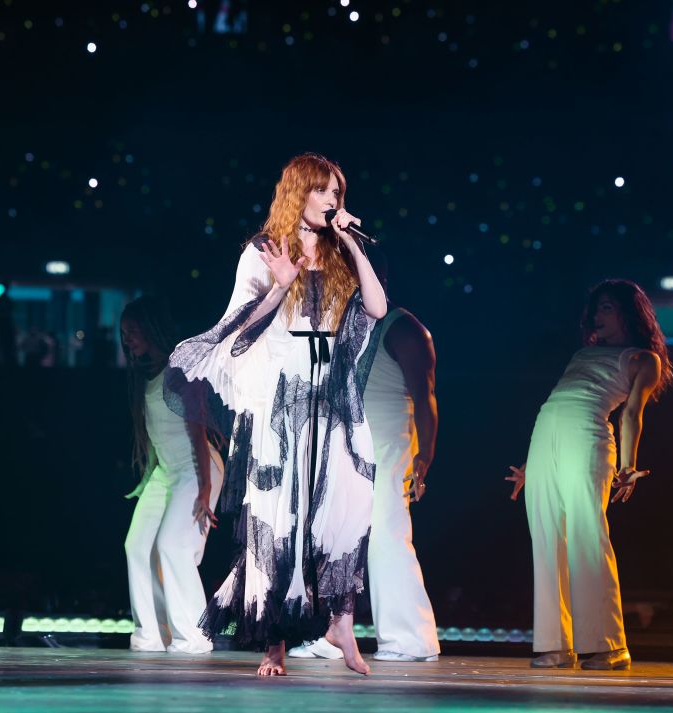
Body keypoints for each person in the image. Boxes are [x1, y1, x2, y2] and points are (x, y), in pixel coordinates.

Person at [164, 153, 387, 676]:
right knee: (278, 514)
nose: (334, 200)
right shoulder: (261, 253)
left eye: (338, 192)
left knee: (344, 506)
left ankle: (340, 622)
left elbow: (376, 308)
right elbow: (240, 330)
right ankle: (274, 641)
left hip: (333, 394)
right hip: (281, 394)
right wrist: (283, 282)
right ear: (299, 192)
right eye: (324, 190)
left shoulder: (338, 252)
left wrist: (351, 242)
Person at [507, 280, 672, 670]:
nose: (598, 316)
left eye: (608, 308)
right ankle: (554, 643)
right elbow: (561, 399)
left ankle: (609, 645)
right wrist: (532, 465)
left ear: (630, 313)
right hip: (546, 432)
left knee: (586, 535)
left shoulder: (644, 357)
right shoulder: (585, 352)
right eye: (597, 308)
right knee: (546, 538)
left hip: (589, 435)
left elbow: (631, 414)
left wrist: (629, 465)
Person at [291, 251, 441, 663]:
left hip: (389, 446)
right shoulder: (341, 326)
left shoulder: (404, 328)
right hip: (345, 443)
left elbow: (425, 399)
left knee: (386, 537)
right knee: (330, 537)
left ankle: (411, 639)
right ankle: (326, 632)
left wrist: (424, 456)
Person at [121, 296, 223, 654]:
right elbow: (153, 439)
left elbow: (198, 435)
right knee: (136, 545)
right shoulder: (145, 378)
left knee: (172, 545)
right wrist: (149, 480)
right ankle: (152, 634)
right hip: (165, 473)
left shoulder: (178, 373)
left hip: (197, 468)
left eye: (133, 330)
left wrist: (205, 489)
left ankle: (194, 635)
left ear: (151, 328)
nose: (128, 338)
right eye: (124, 333)